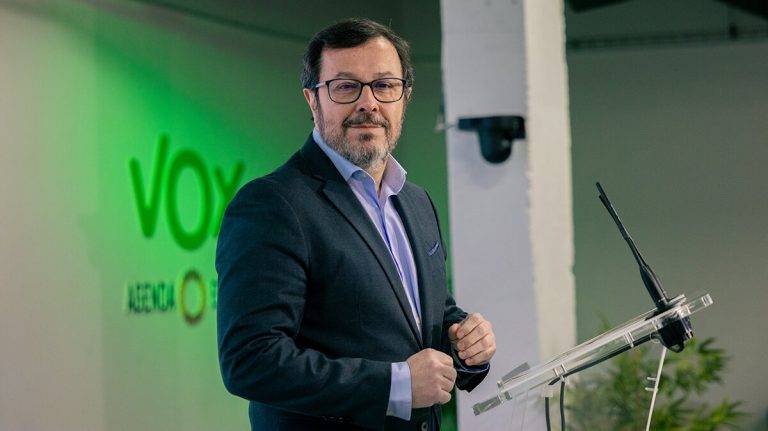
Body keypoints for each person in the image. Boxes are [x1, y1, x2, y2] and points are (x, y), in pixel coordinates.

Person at [216, 18, 497, 431]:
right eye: (346, 87)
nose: (369, 103)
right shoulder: (272, 205)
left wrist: (464, 342)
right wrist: (395, 384)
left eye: (384, 85)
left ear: (404, 97)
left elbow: (422, 319)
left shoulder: (416, 202)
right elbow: (251, 359)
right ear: (313, 100)